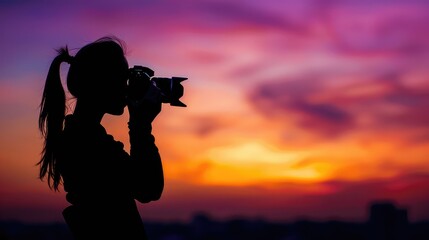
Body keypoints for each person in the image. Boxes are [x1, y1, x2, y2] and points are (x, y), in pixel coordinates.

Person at [37, 36, 164, 240]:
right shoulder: (86, 143)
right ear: (102, 83)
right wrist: (141, 125)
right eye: (123, 79)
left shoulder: (80, 136)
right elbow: (148, 188)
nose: (127, 87)